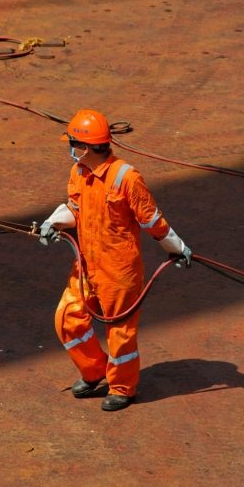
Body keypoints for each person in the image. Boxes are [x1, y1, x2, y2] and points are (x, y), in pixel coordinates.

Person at [40, 110, 191, 411]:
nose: (70, 150)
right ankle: (96, 371)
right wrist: (52, 223)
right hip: (87, 263)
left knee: (120, 333)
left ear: (84, 147)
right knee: (67, 318)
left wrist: (178, 248)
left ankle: (123, 387)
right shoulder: (79, 172)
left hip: (119, 272)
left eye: (72, 144)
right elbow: (75, 208)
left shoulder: (127, 178)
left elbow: (153, 222)